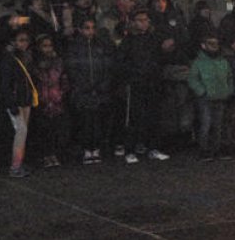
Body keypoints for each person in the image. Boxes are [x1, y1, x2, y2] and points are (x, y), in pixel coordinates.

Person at [116, 12, 170, 163]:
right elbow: (121, 62)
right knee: (133, 118)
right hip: (135, 84)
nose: (143, 23)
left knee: (153, 116)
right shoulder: (128, 41)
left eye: (146, 20)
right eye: (140, 20)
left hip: (152, 83)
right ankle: (130, 150)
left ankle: (152, 148)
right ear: (133, 22)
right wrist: (133, 73)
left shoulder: (153, 39)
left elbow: (160, 59)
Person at [65, 18, 113, 165]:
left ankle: (96, 147)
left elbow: (107, 67)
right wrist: (83, 85)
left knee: (98, 120)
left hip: (99, 90)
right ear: (80, 29)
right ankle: (87, 148)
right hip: (83, 90)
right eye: (87, 28)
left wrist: (102, 85)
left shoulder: (100, 46)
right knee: (85, 121)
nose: (90, 31)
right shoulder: (75, 47)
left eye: (92, 28)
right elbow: (72, 70)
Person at [0, 29, 38, 177]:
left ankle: (18, 163)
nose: (24, 43)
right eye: (21, 40)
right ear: (14, 42)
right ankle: (15, 166)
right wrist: (11, 103)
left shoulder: (25, 58)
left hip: (25, 99)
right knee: (21, 131)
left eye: (26, 40)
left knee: (22, 132)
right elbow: (5, 84)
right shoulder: (10, 59)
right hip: (17, 100)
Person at [188, 35, 232, 161]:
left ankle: (216, 149)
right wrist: (202, 92)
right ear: (203, 45)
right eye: (211, 43)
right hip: (206, 98)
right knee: (206, 124)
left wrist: (227, 90)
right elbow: (192, 79)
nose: (214, 46)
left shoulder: (223, 61)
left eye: (215, 43)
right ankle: (204, 150)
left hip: (220, 96)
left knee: (218, 125)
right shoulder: (199, 62)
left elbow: (230, 77)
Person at [32, 35, 68, 168]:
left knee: (55, 129)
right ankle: (45, 154)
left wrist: (61, 94)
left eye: (49, 46)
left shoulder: (58, 61)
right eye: (44, 46)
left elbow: (63, 79)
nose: (48, 49)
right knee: (43, 129)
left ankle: (53, 154)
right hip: (42, 99)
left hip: (56, 98)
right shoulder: (35, 63)